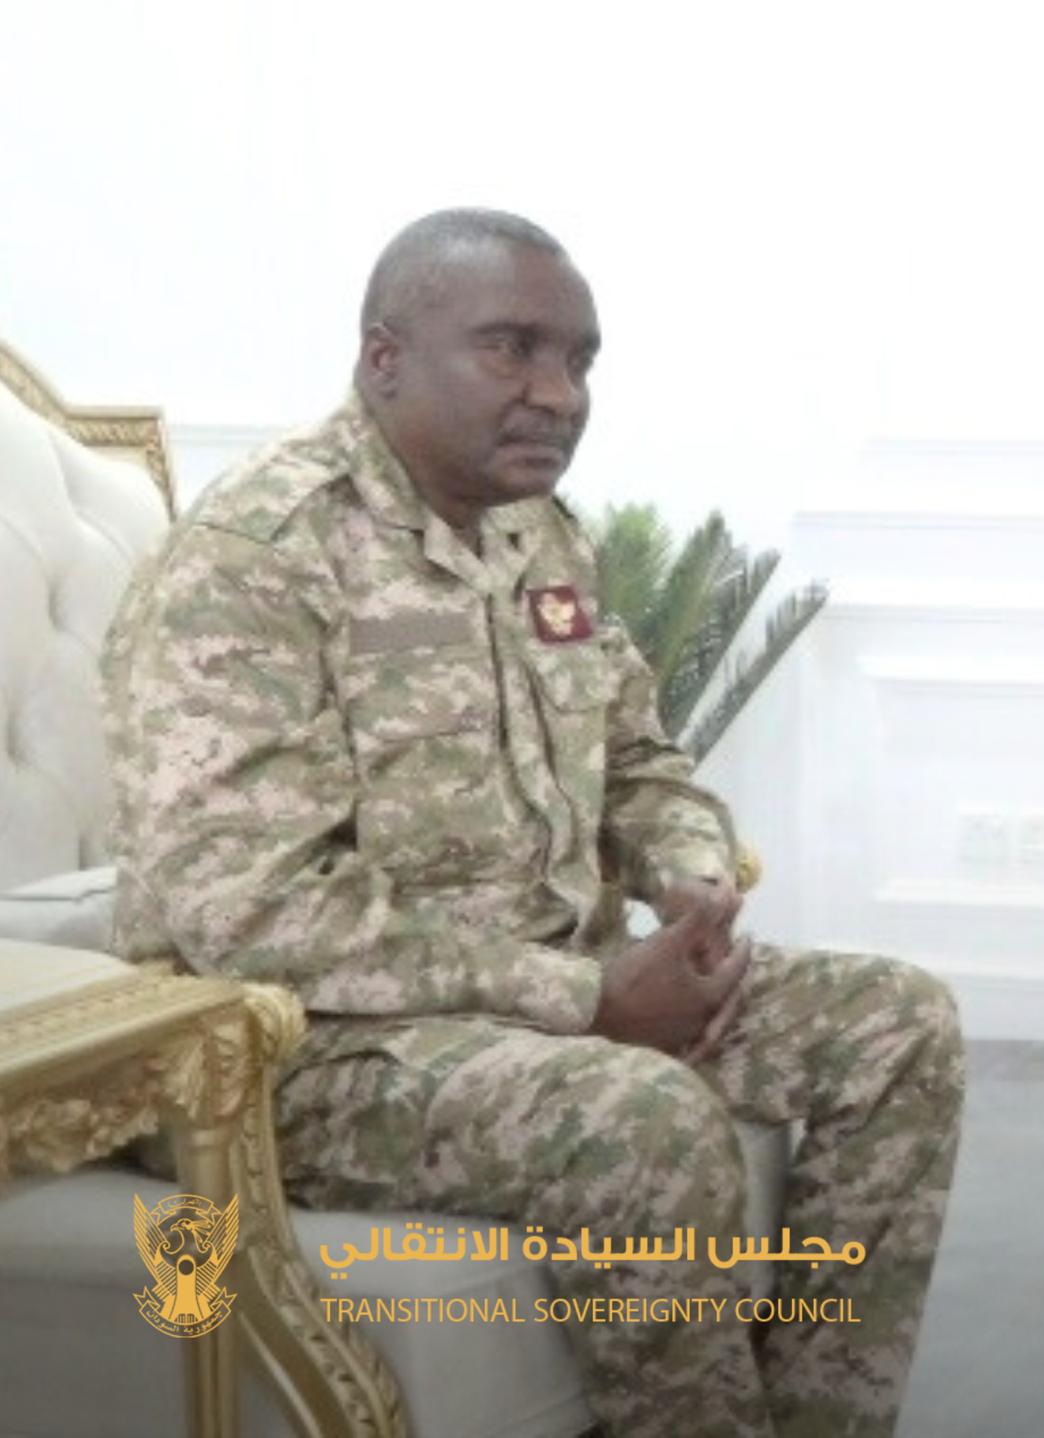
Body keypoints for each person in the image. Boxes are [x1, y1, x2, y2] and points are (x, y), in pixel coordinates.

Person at [104, 208, 962, 1438]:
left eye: (578, 360)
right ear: (385, 357)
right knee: (639, 1120)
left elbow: (637, 757)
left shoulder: (538, 531)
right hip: (301, 1051)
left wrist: (689, 875)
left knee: (895, 1024)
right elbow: (252, 911)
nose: (558, 394)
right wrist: (587, 999)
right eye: (510, 348)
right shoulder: (253, 560)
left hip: (540, 994)